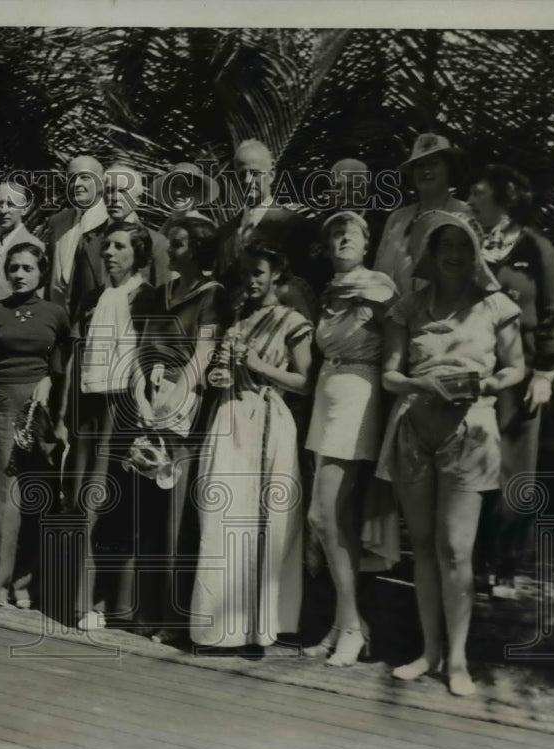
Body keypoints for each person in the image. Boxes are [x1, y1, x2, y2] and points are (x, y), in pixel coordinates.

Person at [376, 210, 525, 696]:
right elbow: (390, 375)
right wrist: (422, 384)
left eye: (463, 246)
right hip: (414, 431)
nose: (455, 256)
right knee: (422, 546)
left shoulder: (495, 305)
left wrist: (486, 383)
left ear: (476, 253)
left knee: (457, 549)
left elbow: (516, 367)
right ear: (432, 254)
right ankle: (429, 652)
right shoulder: (408, 306)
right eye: (445, 247)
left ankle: (458, 661)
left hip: (471, 431)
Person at [190, 241, 313, 651]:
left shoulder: (292, 320)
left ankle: (261, 627)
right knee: (220, 515)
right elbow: (222, 370)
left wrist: (258, 366)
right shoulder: (239, 320)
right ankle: (219, 627)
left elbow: (305, 381)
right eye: (245, 272)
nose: (251, 279)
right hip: (228, 416)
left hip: (267, 419)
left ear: (276, 274)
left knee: (264, 520)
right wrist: (219, 376)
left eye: (258, 271)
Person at [302, 211, 398, 665]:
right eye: (336, 234)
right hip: (328, 393)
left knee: (323, 514)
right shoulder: (327, 292)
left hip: (359, 393)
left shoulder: (379, 285)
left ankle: (354, 626)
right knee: (333, 518)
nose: (343, 239)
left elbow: (397, 334)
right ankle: (344, 625)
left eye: (351, 234)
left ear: (366, 243)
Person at [468, 165, 554, 597]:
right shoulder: (470, 246)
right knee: (475, 463)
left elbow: (553, 314)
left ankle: (506, 564)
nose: (471, 200)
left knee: (515, 472)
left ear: (504, 198)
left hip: (521, 372)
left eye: (478, 192)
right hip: (477, 367)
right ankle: (475, 564)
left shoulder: (536, 248)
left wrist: (545, 372)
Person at [131, 215, 228, 643]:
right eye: (170, 243)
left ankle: (174, 620)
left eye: (180, 244)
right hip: (152, 402)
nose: (170, 250)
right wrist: (143, 397)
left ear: (199, 249)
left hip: (185, 409)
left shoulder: (212, 295)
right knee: (150, 512)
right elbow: (144, 350)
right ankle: (147, 611)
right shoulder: (161, 293)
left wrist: (170, 405)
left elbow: (203, 354)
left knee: (176, 515)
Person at [0, 242, 71, 608]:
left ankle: (24, 583)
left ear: (42, 272)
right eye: (13, 268)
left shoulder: (56, 314)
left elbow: (64, 365)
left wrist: (49, 382)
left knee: (36, 498)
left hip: (40, 410)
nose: (19, 274)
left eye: (27, 268)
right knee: (1, 501)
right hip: (0, 405)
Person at [70, 221, 158, 631]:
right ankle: (82, 600)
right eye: (106, 246)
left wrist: (143, 408)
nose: (109, 253)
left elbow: (147, 356)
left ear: (138, 254)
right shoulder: (93, 297)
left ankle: (107, 603)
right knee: (83, 500)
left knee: (110, 506)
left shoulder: (146, 297)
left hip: (123, 409)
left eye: (120, 246)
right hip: (89, 406)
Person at [213, 139, 317, 309]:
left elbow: (309, 290)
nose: (247, 180)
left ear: (272, 173)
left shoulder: (297, 227)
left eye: (255, 173)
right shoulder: (224, 233)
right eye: (242, 174)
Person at [373, 133, 474, 298]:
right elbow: (378, 274)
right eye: (419, 165)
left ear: (449, 168)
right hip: (394, 310)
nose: (426, 171)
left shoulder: (466, 214)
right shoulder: (397, 218)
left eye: (433, 164)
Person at [44, 155, 110, 316]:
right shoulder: (57, 222)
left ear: (101, 182)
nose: (77, 184)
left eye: (85, 177)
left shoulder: (111, 223)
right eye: (72, 178)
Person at [0, 180, 46, 308]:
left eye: (10, 204)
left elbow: (33, 302)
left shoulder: (34, 246)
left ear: (24, 209)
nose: (3, 210)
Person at [103, 163, 171, 287]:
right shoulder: (87, 239)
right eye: (109, 190)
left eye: (124, 191)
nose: (115, 197)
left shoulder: (156, 243)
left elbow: (162, 293)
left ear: (138, 199)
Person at [153, 161, 219, 234]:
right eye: (173, 185)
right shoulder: (169, 224)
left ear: (200, 194)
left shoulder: (203, 228)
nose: (177, 192)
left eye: (187, 186)